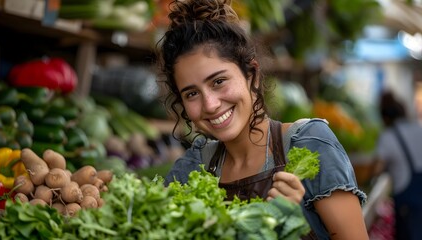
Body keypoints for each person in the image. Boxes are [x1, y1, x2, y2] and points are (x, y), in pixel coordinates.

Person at [155, 0, 369, 239]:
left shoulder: (308, 144)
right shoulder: (194, 166)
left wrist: (294, 221)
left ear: (252, 76)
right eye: (192, 93)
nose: (210, 104)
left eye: (218, 82)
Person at [374, 91, 422, 240]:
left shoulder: (388, 137)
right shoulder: (417, 128)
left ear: (385, 117)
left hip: (408, 203)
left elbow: (377, 168)